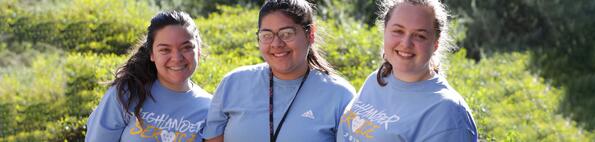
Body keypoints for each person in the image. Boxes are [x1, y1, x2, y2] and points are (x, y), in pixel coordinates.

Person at [203, 0, 356, 142]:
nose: (276, 43)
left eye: (287, 33)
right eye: (267, 35)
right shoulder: (233, 83)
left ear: (310, 34)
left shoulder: (339, 95)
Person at [337, 0, 478, 141]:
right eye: (398, 31)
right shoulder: (377, 79)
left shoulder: (448, 113)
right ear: (385, 31)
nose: (406, 43)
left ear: (436, 43)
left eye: (420, 36)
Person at [86, 11, 212, 142]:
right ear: (152, 54)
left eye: (186, 47)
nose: (177, 58)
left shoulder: (209, 108)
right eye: (165, 50)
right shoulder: (127, 93)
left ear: (198, 50)